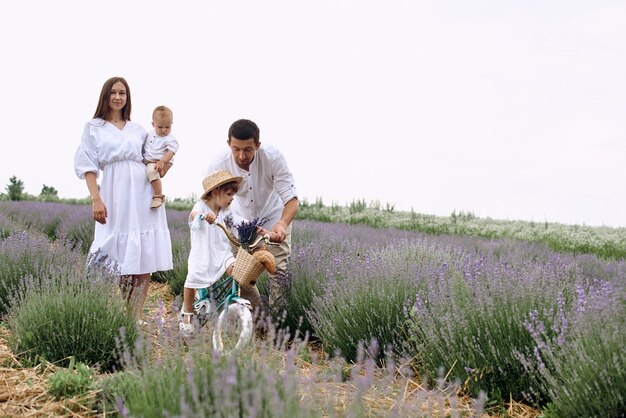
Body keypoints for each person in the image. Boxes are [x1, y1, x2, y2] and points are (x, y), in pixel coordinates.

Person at [74, 76, 173, 320]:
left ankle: (134, 317)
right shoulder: (93, 127)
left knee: (143, 255)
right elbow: (87, 165)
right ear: (105, 96)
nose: (118, 97)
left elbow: (153, 157)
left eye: (123, 93)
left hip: (142, 192)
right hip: (115, 193)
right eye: (114, 92)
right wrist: (96, 199)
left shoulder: (138, 129)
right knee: (117, 253)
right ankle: (110, 312)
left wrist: (163, 166)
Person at [207, 119, 298, 317]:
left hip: (274, 218)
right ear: (228, 144)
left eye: (248, 149)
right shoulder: (219, 164)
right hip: (239, 222)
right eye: (236, 149)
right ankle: (259, 321)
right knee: (241, 276)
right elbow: (213, 203)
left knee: (279, 275)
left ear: (258, 144)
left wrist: (281, 225)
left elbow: (291, 200)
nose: (241, 156)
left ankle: (277, 328)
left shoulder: (273, 157)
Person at [180, 170, 244, 336]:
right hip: (203, 256)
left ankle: (232, 305)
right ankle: (187, 314)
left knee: (237, 270)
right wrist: (202, 216)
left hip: (223, 254)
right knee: (193, 278)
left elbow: (237, 222)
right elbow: (193, 215)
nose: (231, 198)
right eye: (229, 194)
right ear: (216, 192)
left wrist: (256, 229)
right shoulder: (201, 206)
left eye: (233, 195)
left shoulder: (225, 212)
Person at [143, 105, 179, 209]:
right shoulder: (150, 134)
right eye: (160, 127)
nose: (164, 130)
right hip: (148, 159)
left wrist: (162, 162)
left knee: (151, 171)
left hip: (160, 161)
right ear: (153, 124)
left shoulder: (170, 139)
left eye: (167, 127)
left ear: (171, 124)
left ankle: (158, 196)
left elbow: (171, 152)